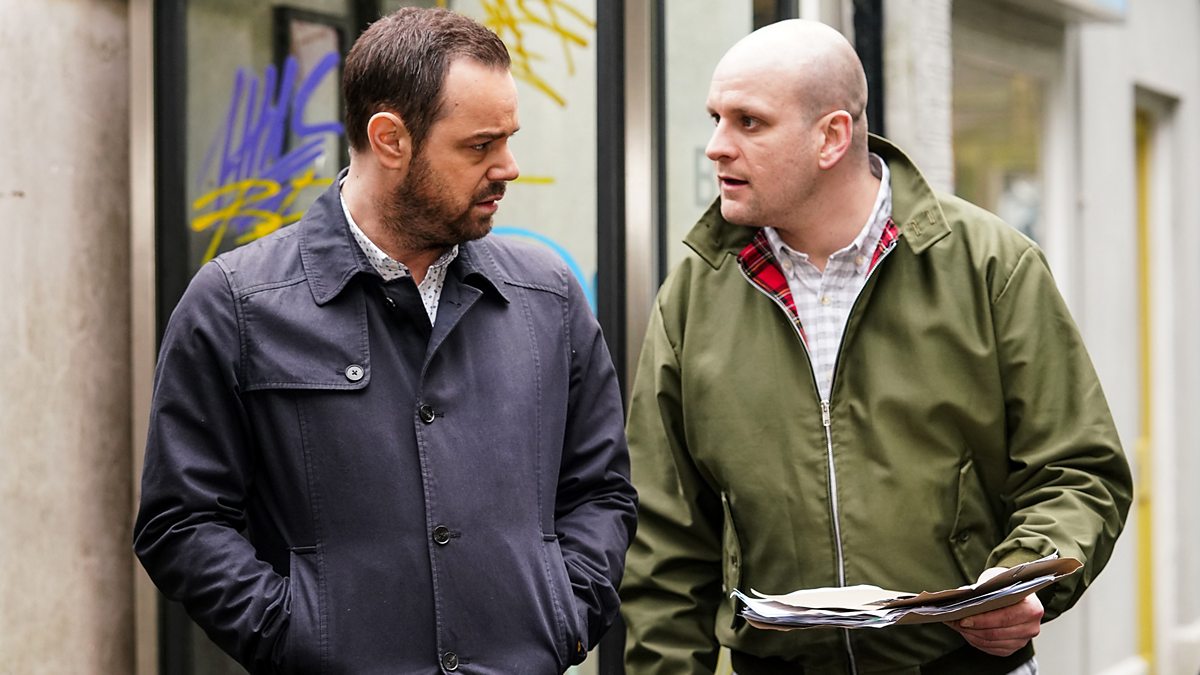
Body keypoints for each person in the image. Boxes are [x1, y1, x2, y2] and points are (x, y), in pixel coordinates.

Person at [620, 19, 1131, 675]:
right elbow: (663, 537)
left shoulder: (989, 266)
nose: (717, 146)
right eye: (716, 119)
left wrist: (1021, 577)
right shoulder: (694, 295)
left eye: (749, 122)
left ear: (832, 136)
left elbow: (1079, 468)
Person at [134, 8, 636, 674]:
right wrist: (296, 640)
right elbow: (181, 521)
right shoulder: (237, 303)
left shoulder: (548, 296)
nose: (508, 167)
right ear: (390, 139)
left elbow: (602, 492)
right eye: (480, 146)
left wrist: (563, 619)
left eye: (508, 140)